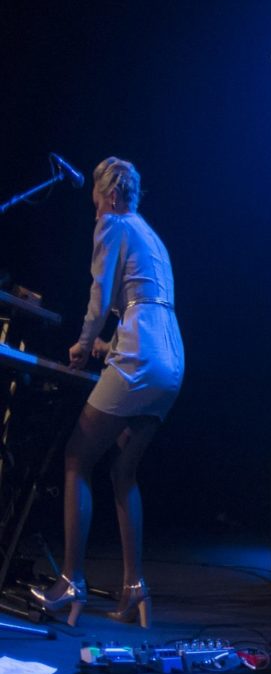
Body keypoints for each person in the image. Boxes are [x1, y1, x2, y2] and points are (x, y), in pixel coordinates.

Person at [31, 158, 184, 627]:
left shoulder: (114, 224)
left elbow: (100, 298)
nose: (95, 213)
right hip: (171, 356)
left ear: (111, 197)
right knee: (123, 471)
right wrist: (107, 343)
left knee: (77, 456)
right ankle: (135, 588)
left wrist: (82, 342)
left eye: (96, 203)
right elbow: (144, 302)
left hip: (140, 356)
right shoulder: (149, 233)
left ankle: (71, 580)